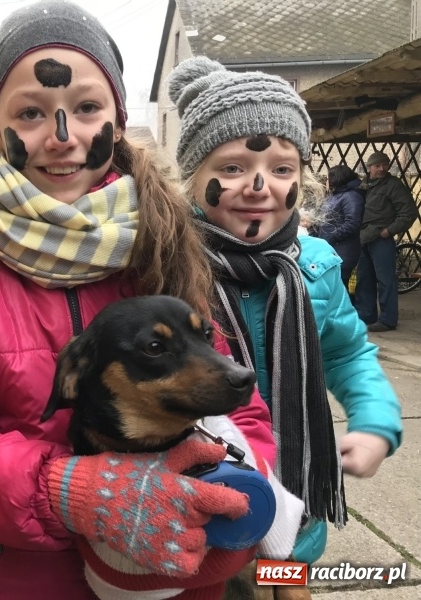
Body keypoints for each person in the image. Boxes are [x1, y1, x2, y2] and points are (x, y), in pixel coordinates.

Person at [0, 4, 292, 599]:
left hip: (173, 580)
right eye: (30, 112)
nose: (63, 136)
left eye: (86, 108)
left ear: (118, 119)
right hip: (10, 581)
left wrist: (232, 486)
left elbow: (240, 406)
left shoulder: (165, 238)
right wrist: (72, 492)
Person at [167, 56, 403, 568]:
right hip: (201, 491)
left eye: (281, 169)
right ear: (192, 177)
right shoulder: (169, 266)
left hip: (294, 485)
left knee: (286, 579)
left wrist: (376, 420)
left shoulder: (315, 265)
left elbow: (346, 353)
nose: (260, 186)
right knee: (213, 586)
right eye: (232, 168)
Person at [354, 151, 418, 332]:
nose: (382, 168)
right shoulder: (364, 185)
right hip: (363, 238)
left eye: (385, 165)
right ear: (369, 168)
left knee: (386, 280)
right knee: (364, 279)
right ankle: (366, 316)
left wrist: (389, 230)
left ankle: (388, 320)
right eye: (377, 165)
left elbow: (409, 213)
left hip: (381, 239)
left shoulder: (394, 186)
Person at [311, 164, 365, 287]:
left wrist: (331, 237)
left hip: (343, 250)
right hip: (332, 248)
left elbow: (352, 223)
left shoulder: (351, 196)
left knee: (339, 285)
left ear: (337, 178)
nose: (327, 181)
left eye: (329, 178)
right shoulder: (337, 194)